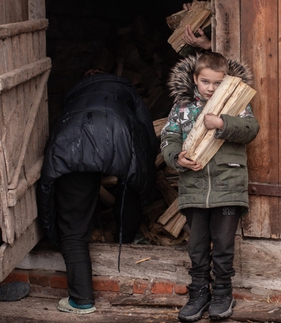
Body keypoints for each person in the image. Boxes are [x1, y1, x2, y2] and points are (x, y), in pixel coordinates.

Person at [37, 70, 158, 314]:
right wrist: (146, 171)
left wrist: (51, 232)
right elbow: (148, 136)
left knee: (72, 229)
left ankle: (81, 300)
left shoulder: (75, 95)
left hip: (70, 147)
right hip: (118, 139)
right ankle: (125, 236)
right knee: (130, 182)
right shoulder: (126, 91)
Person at [161, 52, 259, 321]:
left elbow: (251, 128)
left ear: (225, 81)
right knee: (197, 245)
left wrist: (222, 123)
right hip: (194, 189)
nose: (211, 88)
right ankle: (199, 292)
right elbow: (168, 138)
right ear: (195, 79)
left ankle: (222, 293)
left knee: (225, 243)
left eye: (217, 83)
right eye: (205, 82)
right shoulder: (181, 108)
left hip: (228, 187)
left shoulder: (236, 104)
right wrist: (177, 158)